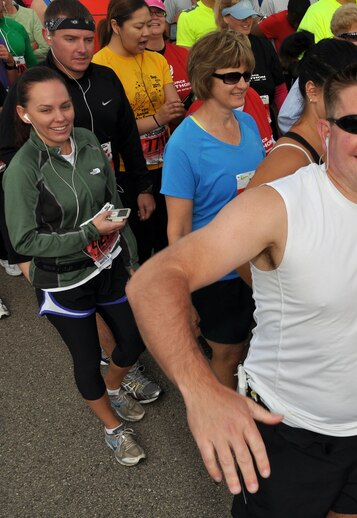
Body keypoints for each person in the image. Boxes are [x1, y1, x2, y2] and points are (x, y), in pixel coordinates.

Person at [127, 60, 357, 517]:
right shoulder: (279, 204)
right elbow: (153, 280)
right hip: (286, 431)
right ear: (326, 130)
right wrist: (201, 390)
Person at [0, 0, 162, 404]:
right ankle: (119, 366)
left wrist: (140, 185)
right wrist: (20, 252)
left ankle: (122, 359)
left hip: (108, 189)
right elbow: (9, 166)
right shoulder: (34, 89)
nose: (82, 47)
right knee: (86, 297)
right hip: (59, 211)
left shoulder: (106, 78)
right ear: (49, 37)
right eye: (70, 38)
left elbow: (126, 135)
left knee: (117, 273)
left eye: (89, 38)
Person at [4, 67, 148, 466]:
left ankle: (116, 387)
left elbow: (114, 206)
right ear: (24, 114)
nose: (60, 117)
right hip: (63, 281)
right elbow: (24, 241)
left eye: (65, 105)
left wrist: (131, 258)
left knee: (135, 340)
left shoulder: (86, 140)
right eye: (46, 109)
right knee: (85, 360)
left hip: (110, 265)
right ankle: (112, 428)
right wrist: (88, 232)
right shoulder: (22, 169)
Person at [161, 31, 263, 388]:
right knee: (228, 353)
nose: (242, 85)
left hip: (257, 264)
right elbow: (178, 230)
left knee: (253, 345)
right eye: (231, 76)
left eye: (246, 75)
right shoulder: (183, 145)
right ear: (206, 77)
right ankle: (221, 434)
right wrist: (183, 297)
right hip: (215, 274)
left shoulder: (247, 123)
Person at [94, 0, 185, 263]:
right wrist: (158, 117)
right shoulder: (100, 66)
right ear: (116, 26)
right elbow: (112, 129)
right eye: (139, 26)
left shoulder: (156, 60)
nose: (148, 32)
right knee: (139, 246)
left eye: (149, 24)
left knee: (167, 238)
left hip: (165, 165)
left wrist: (168, 115)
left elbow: (173, 108)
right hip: (127, 171)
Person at [248, 38, 357, 188]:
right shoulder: (287, 160)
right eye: (344, 91)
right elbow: (243, 210)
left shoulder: (328, 141)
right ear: (312, 91)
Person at [216, 0, 288, 125]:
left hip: (266, 123)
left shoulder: (264, 46)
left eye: (249, 16)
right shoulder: (215, 49)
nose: (247, 21)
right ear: (226, 18)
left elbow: (280, 90)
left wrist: (286, 124)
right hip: (229, 126)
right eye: (241, 16)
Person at [144, 0, 192, 108]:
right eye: (149, 13)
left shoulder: (182, 53)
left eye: (159, 13)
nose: (155, 17)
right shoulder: (133, 58)